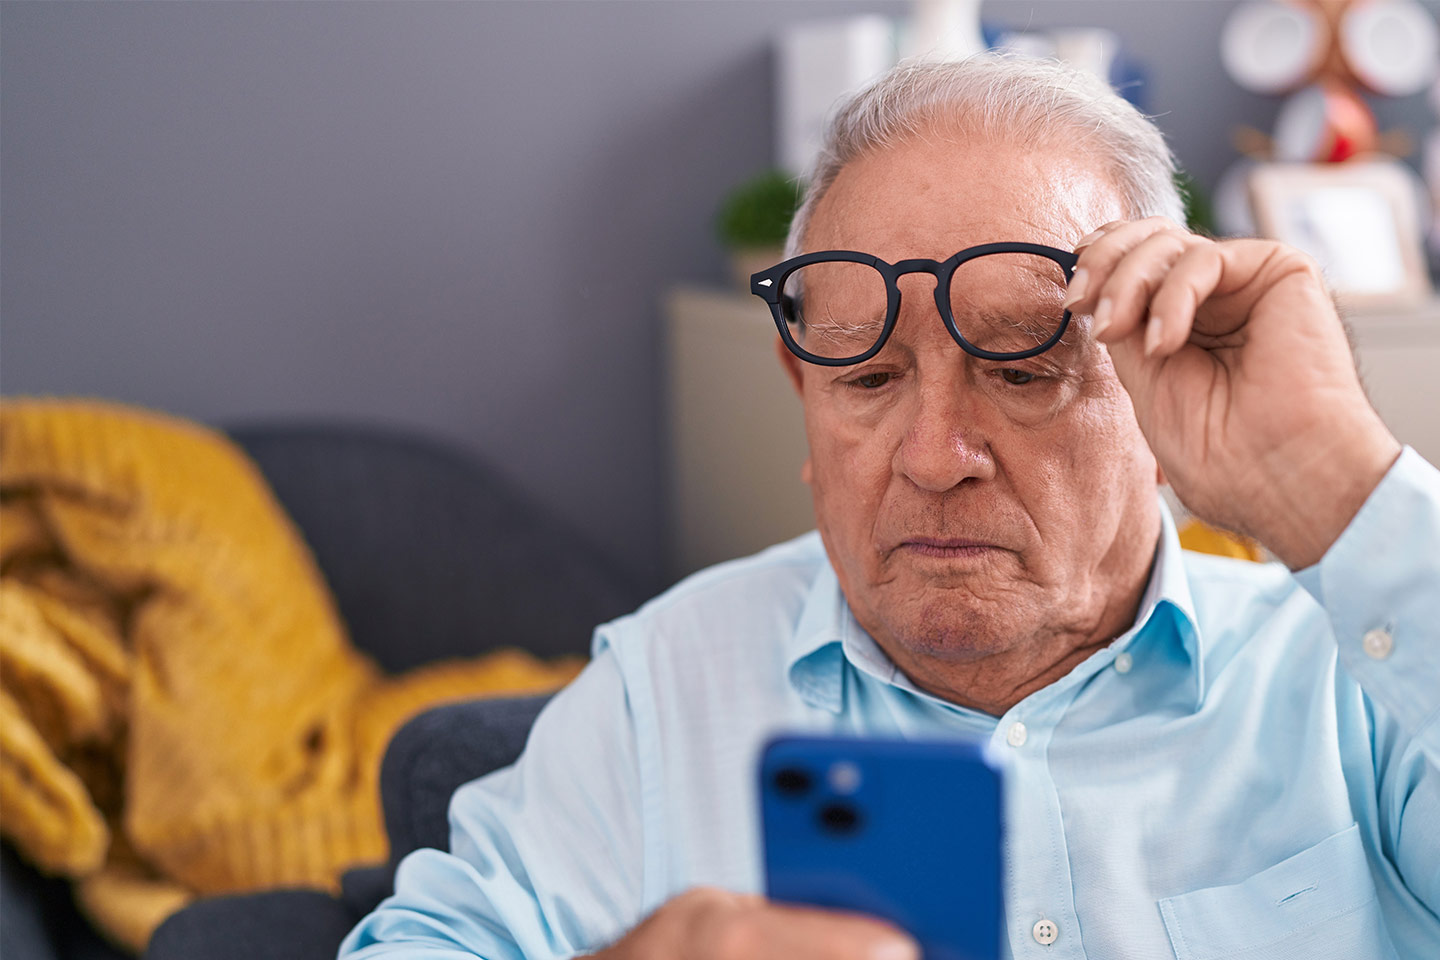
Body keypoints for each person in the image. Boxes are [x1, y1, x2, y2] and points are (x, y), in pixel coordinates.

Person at [340, 55, 1440, 959]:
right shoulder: (660, 695)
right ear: (802, 396)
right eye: (866, 378)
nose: (932, 457)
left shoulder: (1351, 681)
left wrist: (1332, 482)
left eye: (1020, 368)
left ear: (1155, 382)